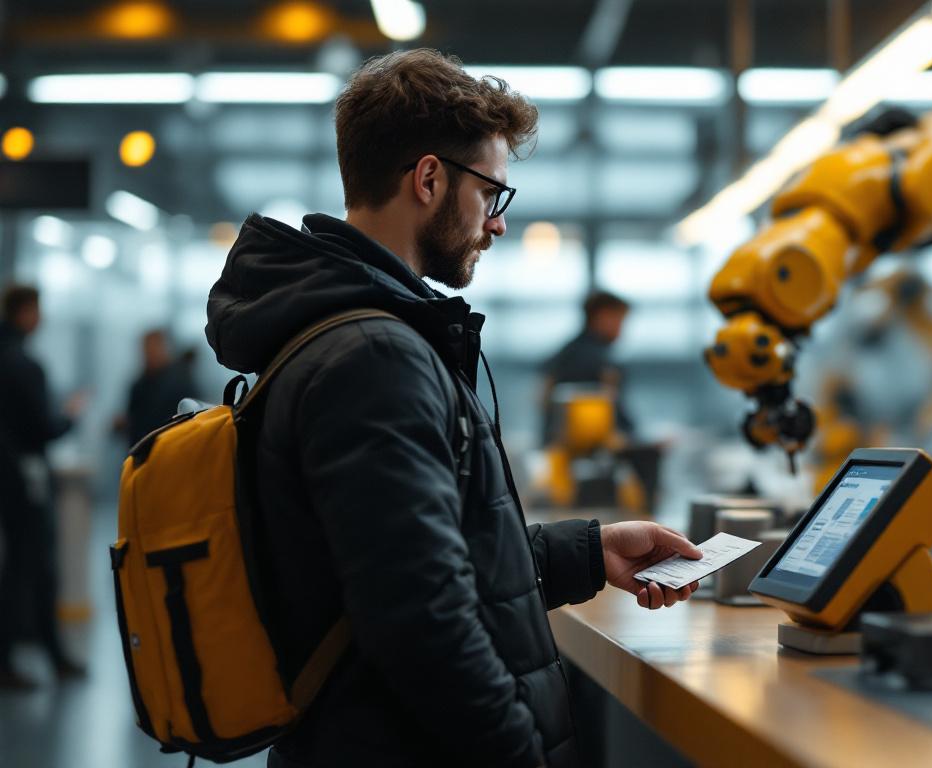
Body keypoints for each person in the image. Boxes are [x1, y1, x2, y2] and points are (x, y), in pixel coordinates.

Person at [204, 49, 701, 768]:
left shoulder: (343, 334)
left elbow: (430, 561)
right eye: (492, 194)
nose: (497, 224)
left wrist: (590, 550)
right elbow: (422, 624)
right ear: (430, 179)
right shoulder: (374, 358)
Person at [0, 285, 85, 689]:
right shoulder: (23, 364)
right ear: (26, 311)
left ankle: (32, 657)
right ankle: (43, 658)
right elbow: (43, 429)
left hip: (7, 479)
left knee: (14, 569)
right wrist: (70, 416)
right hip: (24, 481)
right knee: (32, 570)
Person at [540, 290, 633, 445]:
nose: (621, 329)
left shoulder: (566, 353)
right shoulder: (599, 360)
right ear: (603, 316)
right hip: (585, 449)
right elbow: (612, 412)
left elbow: (543, 402)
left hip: (558, 447)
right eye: (619, 320)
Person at [117, 329, 199, 446]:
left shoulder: (180, 381)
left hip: (171, 448)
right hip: (141, 451)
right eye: (146, 349)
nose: (149, 353)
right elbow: (134, 417)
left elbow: (191, 417)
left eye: (153, 348)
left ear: (164, 348)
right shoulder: (139, 384)